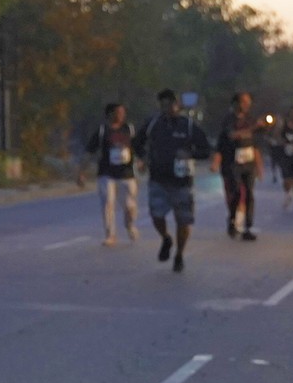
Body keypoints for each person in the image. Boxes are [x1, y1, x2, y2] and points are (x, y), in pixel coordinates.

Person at [141, 88, 214, 273]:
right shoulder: (153, 124)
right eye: (163, 105)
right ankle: (166, 238)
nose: (167, 109)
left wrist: (190, 154)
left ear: (177, 105)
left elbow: (206, 150)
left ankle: (179, 254)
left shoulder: (188, 126)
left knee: (183, 220)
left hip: (181, 181)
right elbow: (137, 143)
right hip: (158, 178)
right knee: (156, 215)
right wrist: (143, 158)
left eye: (170, 105)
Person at [83, 101, 139, 247]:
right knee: (107, 204)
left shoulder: (129, 129)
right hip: (106, 174)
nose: (121, 115)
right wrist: (81, 171)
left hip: (126, 174)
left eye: (123, 112)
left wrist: (141, 161)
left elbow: (137, 147)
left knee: (130, 206)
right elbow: (89, 151)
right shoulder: (102, 131)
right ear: (110, 114)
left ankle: (129, 225)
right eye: (118, 112)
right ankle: (110, 235)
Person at [214, 91, 261, 241]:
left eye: (248, 102)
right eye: (244, 102)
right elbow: (232, 135)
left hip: (249, 163)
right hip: (233, 163)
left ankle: (248, 226)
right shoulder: (228, 120)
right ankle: (233, 218)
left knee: (249, 194)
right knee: (236, 192)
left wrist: (259, 166)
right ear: (235, 104)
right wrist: (253, 128)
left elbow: (255, 144)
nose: (247, 105)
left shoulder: (251, 119)